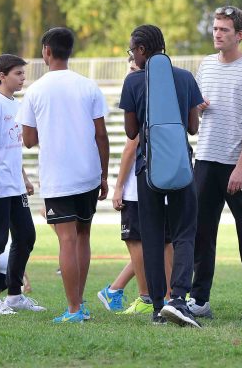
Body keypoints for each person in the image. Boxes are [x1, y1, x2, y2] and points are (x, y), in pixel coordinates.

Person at [19, 27, 109, 324]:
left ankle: (73, 310)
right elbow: (101, 135)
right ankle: (80, 303)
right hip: (88, 173)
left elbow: (28, 140)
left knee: (67, 240)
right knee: (83, 236)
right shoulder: (88, 85)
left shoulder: (35, 90)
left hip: (58, 176)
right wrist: (104, 176)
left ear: (47, 51)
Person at [120, 24, 204, 327]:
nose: (132, 55)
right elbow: (193, 127)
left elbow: (131, 132)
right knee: (184, 234)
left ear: (142, 50)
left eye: (132, 50)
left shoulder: (133, 81)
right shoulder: (185, 78)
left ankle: (158, 306)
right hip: (181, 166)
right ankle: (179, 298)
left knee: (153, 237)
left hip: (148, 169)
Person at [188, 5, 242, 321]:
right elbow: (196, 114)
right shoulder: (205, 65)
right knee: (202, 232)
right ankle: (200, 299)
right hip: (206, 160)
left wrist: (241, 166)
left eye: (224, 29)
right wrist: (198, 107)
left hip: (238, 164)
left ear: (239, 35)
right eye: (215, 28)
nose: (217, 34)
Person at [98, 56, 174, 315]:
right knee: (162, 243)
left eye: (134, 69)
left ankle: (145, 296)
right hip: (161, 182)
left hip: (138, 186)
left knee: (139, 242)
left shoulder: (140, 100)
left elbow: (131, 148)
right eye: (129, 69)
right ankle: (161, 295)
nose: (130, 74)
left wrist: (118, 186)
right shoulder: (163, 96)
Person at [0, 54, 44, 315]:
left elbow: (11, 146)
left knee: (26, 237)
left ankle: (14, 295)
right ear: (2, 76)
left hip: (15, 185)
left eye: (23, 73)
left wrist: (24, 177)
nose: (23, 78)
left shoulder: (16, 104)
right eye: (18, 73)